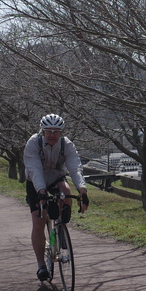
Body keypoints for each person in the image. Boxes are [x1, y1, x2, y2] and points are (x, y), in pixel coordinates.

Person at [23, 113, 89, 281]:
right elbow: (35, 169)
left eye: (56, 131)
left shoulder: (66, 145)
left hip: (56, 177)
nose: (52, 134)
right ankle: (41, 265)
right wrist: (41, 192)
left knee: (66, 192)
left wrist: (82, 191)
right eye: (48, 131)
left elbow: (75, 167)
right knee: (39, 221)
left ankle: (60, 228)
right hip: (35, 181)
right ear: (42, 131)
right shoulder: (33, 143)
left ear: (61, 133)